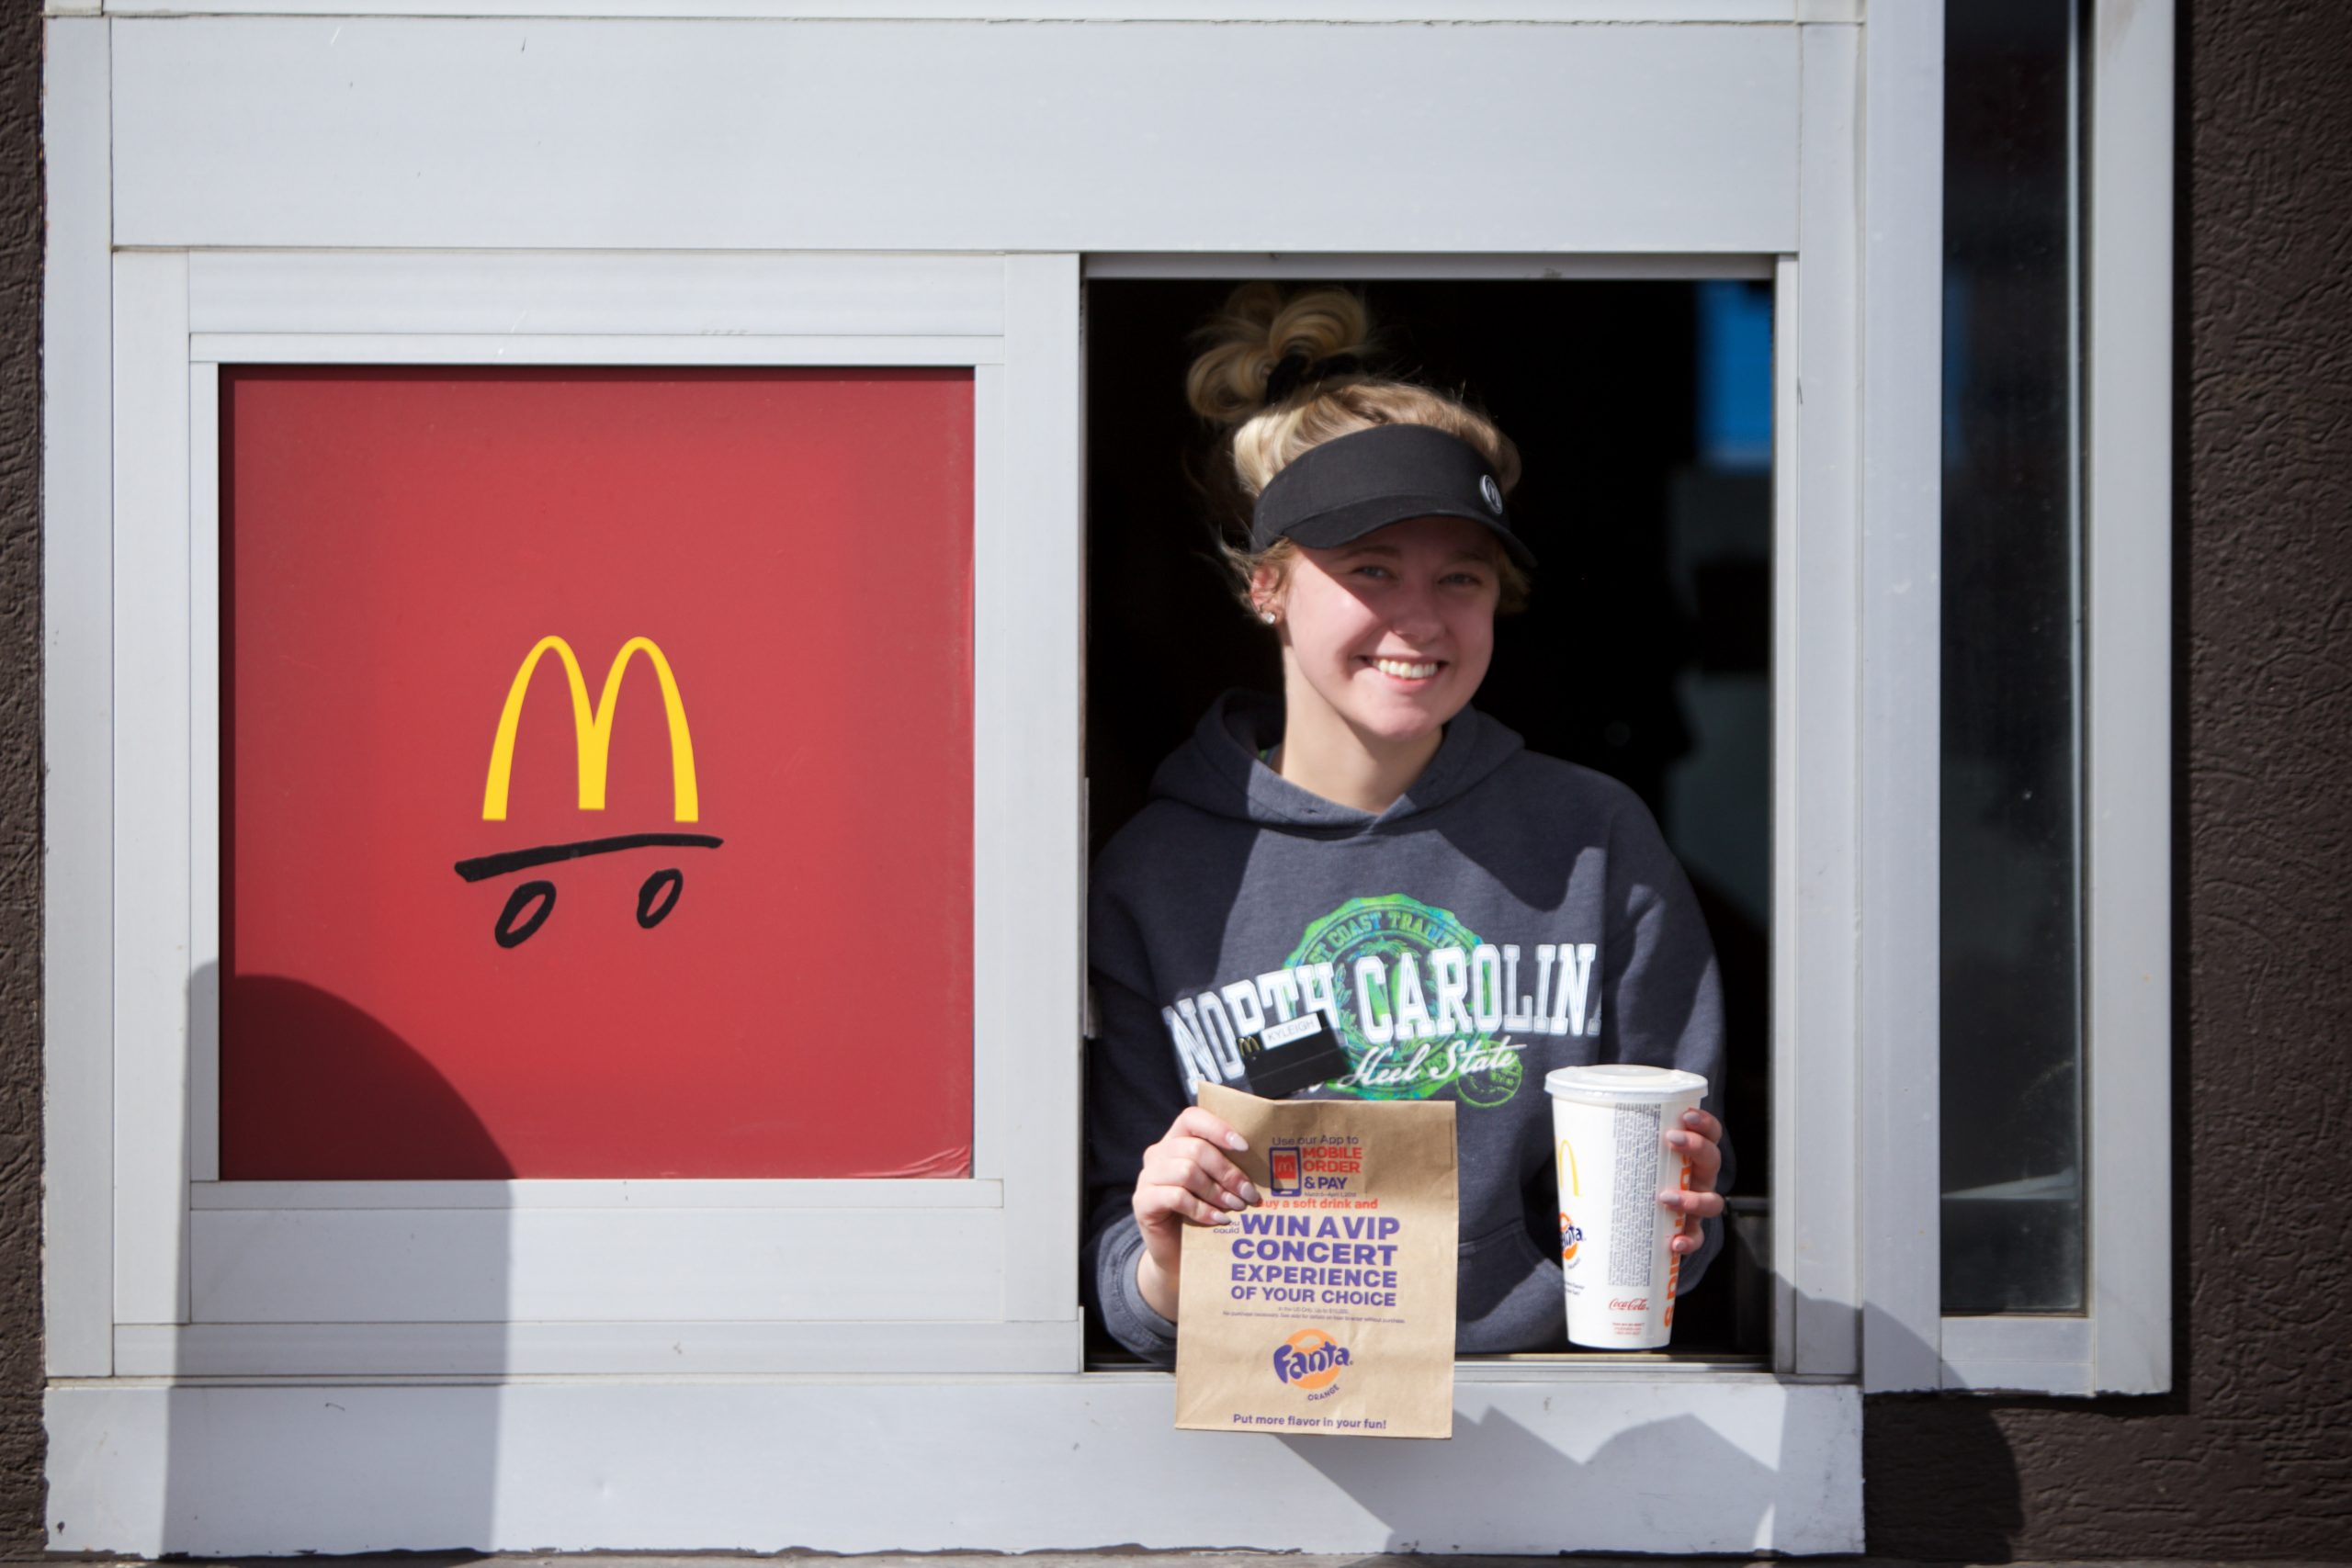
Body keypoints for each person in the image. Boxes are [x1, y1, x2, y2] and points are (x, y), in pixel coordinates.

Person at [1082, 284, 1729, 1362]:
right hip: (1277, 1408)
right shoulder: (1154, 874)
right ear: (1267, 586)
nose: (1419, 620)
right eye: (1370, 570)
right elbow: (1123, 1268)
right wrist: (1165, 1258)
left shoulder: (1592, 840)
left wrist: (1679, 1221)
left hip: (1548, 1409)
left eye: (1459, 577)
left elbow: (1676, 1210)